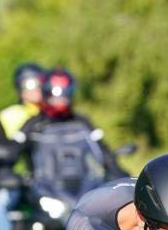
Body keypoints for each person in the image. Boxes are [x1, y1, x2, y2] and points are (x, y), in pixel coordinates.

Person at [9, 67, 128, 205]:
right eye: (55, 94)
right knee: (10, 205)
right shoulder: (33, 125)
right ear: (46, 93)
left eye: (63, 94)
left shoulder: (82, 123)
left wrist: (119, 175)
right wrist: (6, 174)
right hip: (45, 194)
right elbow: (9, 153)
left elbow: (103, 152)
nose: (59, 99)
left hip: (84, 192)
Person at [0, 62, 44, 230]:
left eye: (38, 85)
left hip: (50, 178)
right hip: (21, 178)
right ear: (20, 89)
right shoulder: (10, 115)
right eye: (28, 85)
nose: (34, 90)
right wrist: (4, 177)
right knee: (4, 200)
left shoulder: (54, 113)